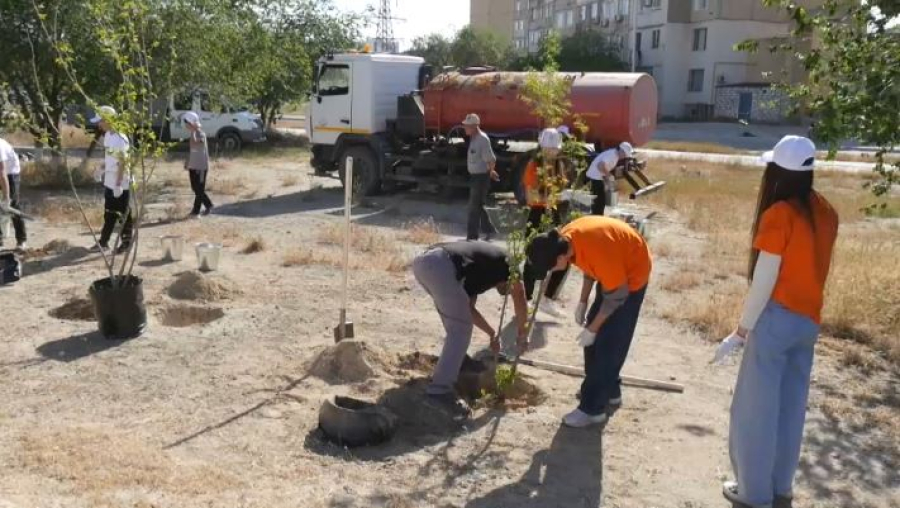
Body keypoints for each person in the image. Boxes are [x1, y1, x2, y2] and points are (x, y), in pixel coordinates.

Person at [715, 136, 839, 508]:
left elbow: (765, 280)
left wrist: (741, 330)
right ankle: (780, 486)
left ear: (777, 172)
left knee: (755, 410)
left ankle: (753, 493)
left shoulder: (780, 214)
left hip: (775, 321)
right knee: (790, 408)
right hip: (808, 322)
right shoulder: (826, 211)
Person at [526, 215, 652, 428]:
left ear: (560, 258)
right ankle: (610, 392)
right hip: (614, 270)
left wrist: (593, 329)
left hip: (631, 277)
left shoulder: (597, 251)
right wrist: (583, 301)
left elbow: (617, 295)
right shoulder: (566, 240)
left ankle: (592, 410)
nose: (550, 271)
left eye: (550, 267)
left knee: (608, 343)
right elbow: (589, 267)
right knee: (594, 341)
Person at [412, 240, 530, 415]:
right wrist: (522, 335)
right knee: (459, 330)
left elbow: (467, 310)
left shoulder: (479, 271)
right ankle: (439, 390)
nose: (502, 289)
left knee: (456, 322)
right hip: (442, 265)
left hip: (425, 262)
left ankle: (460, 363)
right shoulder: (509, 264)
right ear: (504, 281)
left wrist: (491, 333)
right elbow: (520, 296)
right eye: (504, 288)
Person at [522, 127, 570, 317]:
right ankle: (526, 299)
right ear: (542, 147)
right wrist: (552, 197)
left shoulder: (559, 165)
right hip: (538, 213)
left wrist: (567, 195)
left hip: (555, 212)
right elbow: (531, 196)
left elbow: (562, 186)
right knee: (532, 257)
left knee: (564, 254)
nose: (553, 152)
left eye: (555, 149)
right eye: (550, 148)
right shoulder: (533, 166)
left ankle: (547, 299)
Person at [91, 106, 133, 254]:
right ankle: (103, 242)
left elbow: (123, 162)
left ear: (108, 120)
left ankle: (126, 243)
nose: (99, 125)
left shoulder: (121, 138)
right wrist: (101, 169)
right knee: (109, 213)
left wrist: (118, 184)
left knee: (123, 214)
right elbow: (109, 157)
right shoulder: (108, 135)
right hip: (109, 180)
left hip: (120, 182)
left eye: (100, 121)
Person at [462, 113, 499, 241]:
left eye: (467, 126)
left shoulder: (482, 139)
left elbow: (491, 159)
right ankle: (490, 230)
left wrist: (491, 171)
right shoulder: (474, 138)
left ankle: (472, 237)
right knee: (478, 206)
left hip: (481, 178)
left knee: (473, 207)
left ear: (474, 126)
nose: (465, 128)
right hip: (475, 177)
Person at [584, 142, 633, 216]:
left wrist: (607, 181)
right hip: (594, 178)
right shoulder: (611, 155)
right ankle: (596, 218)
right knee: (598, 202)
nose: (625, 156)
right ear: (621, 150)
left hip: (598, 178)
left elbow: (604, 169)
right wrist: (609, 175)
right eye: (625, 154)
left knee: (601, 202)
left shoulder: (615, 156)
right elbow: (600, 166)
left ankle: (598, 217)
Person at [182, 112, 213, 217]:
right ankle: (208, 205)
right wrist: (188, 161)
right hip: (193, 166)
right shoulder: (193, 133)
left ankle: (196, 212)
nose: (185, 125)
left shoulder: (200, 133)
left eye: (186, 122)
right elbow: (192, 150)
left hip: (201, 167)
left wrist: (193, 131)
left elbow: (195, 144)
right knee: (195, 188)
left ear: (191, 122)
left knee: (199, 189)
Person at [0, 136, 27, 252]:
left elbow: (2, 173)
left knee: (13, 205)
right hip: (2, 173)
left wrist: (6, 198)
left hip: (11, 174)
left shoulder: (0, 146)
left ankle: (21, 241)